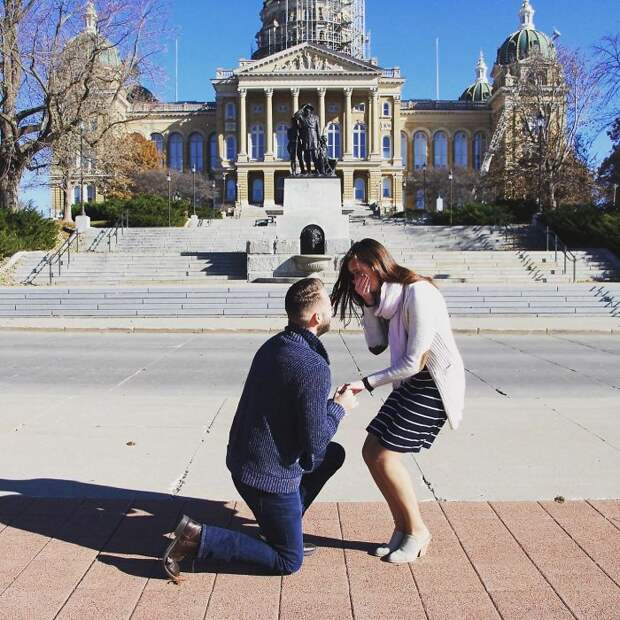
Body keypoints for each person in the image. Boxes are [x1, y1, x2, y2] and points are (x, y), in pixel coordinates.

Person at [163, 278, 358, 580]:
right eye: (329, 305)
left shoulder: (274, 345)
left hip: (244, 464)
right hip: (268, 480)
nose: (333, 308)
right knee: (288, 561)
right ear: (316, 318)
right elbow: (315, 441)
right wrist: (339, 407)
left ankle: (280, 525)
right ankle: (199, 538)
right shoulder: (312, 365)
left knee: (334, 454)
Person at [331, 239, 465, 564]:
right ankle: (402, 528)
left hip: (431, 383)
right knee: (370, 451)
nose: (357, 281)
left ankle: (417, 530)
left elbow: (414, 361)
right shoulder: (386, 301)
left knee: (386, 457)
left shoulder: (418, 293)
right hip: (411, 383)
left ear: (378, 266)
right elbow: (376, 346)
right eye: (352, 276)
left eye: (361, 273)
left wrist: (364, 384)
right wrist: (366, 301)